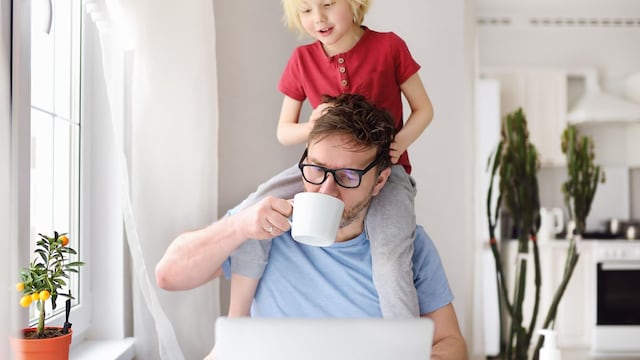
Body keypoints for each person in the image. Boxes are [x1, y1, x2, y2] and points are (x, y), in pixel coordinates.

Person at [156, 94, 467, 359]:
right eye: (316, 170)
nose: (326, 190)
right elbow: (168, 275)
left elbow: (451, 343)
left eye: (347, 176)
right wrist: (239, 226)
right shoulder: (263, 228)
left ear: (380, 181)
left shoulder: (408, 246)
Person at [228, 0, 434, 319]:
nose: (318, 18)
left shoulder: (389, 46)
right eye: (306, 10)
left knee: (391, 257)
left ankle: (404, 344)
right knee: (253, 212)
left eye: (327, 4)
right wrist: (310, 126)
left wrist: (399, 142)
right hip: (319, 171)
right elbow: (284, 131)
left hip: (385, 171)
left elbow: (424, 110)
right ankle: (236, 323)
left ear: (355, 3)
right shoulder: (301, 59)